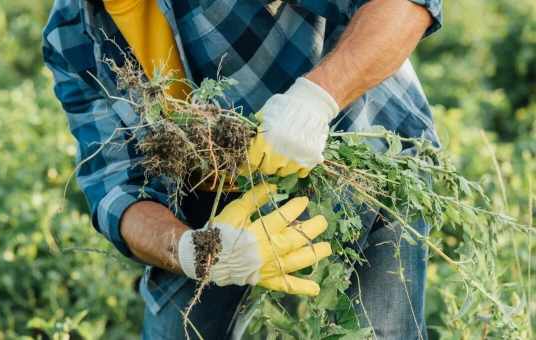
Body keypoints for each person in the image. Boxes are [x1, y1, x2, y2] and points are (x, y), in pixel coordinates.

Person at [43, 0, 442, 338]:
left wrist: (315, 100)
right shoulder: (72, 33)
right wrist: (192, 251)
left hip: (357, 147)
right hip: (213, 203)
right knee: (181, 328)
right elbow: (117, 189)